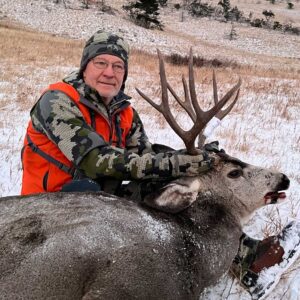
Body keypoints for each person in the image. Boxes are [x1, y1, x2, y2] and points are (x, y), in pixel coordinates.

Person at [20, 30, 295, 297]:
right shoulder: (57, 101)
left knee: (179, 185)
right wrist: (175, 164)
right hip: (52, 206)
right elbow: (96, 161)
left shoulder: (124, 112)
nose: (109, 72)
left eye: (118, 66)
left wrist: (196, 161)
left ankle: (246, 259)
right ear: (84, 67)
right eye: (100, 63)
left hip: (101, 197)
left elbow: (146, 158)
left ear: (124, 73)